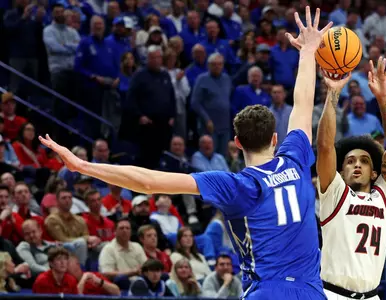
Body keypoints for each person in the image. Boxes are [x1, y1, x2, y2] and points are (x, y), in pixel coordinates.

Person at [39, 6, 332, 300]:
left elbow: (148, 182)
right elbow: (303, 104)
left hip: (267, 291)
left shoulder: (234, 185)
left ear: (237, 143)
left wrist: (83, 166)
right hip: (311, 291)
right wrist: (308, 51)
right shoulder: (295, 158)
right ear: (275, 138)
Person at [316, 56, 386, 300]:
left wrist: (383, 99)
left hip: (372, 296)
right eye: (350, 161)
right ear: (340, 171)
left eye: (364, 161)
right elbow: (324, 146)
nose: (356, 165)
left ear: (375, 173)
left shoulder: (384, 198)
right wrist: (333, 94)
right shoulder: (335, 194)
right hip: (332, 294)